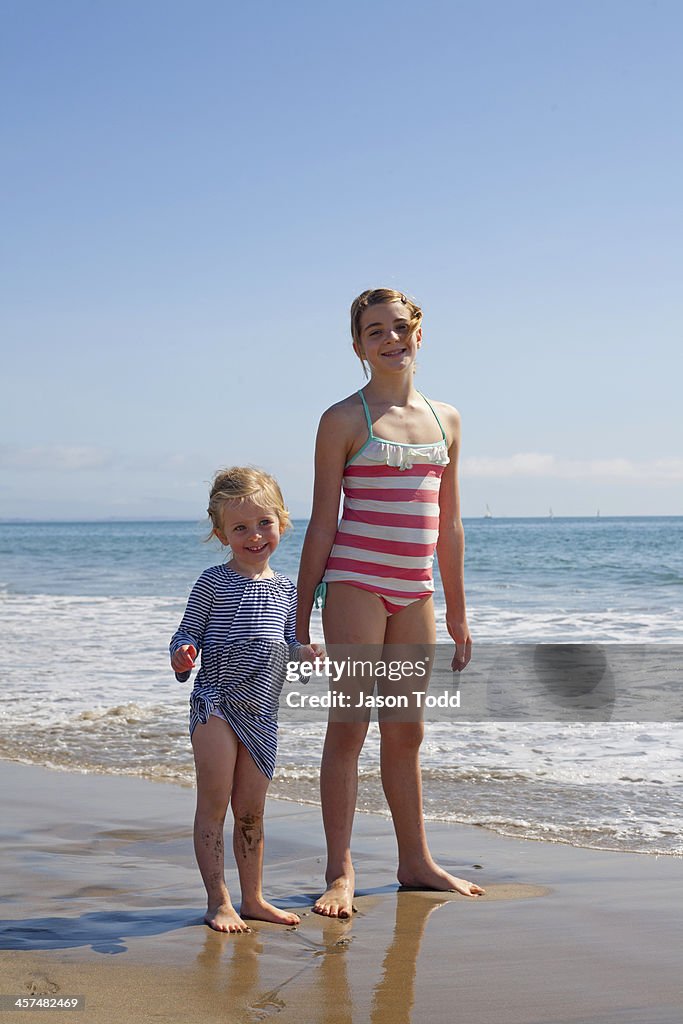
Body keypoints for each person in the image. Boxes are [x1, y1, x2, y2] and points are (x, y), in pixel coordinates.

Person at [296, 288, 485, 918]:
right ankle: (340, 871)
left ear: (419, 334)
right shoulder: (343, 420)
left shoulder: (447, 419)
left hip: (415, 593)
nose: (390, 339)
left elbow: (450, 525)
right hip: (354, 585)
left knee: (406, 732)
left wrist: (457, 612)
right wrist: (300, 612)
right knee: (349, 729)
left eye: (399, 327)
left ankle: (415, 860)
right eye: (374, 331)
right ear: (357, 346)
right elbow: (323, 523)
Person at [170, 466, 322, 933]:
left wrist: (307, 654)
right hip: (214, 703)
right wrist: (182, 655)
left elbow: (289, 647)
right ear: (221, 533)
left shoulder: (290, 591)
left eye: (264, 524)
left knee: (252, 812)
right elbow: (185, 632)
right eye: (240, 528)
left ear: (282, 522)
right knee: (214, 806)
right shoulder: (212, 582)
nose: (254, 536)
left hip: (262, 714)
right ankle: (219, 900)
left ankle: (253, 898)